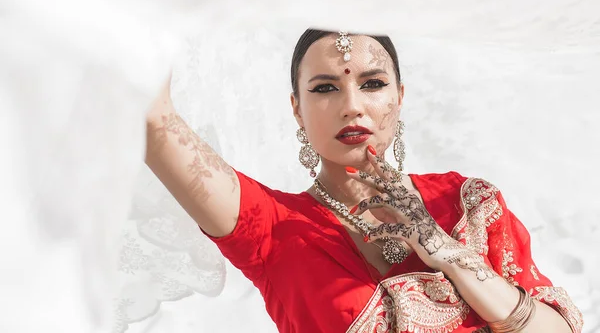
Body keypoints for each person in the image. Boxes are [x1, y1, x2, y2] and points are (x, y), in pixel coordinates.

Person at [144, 29, 583, 333]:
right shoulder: (273, 229)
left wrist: (444, 250)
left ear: (399, 96)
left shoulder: (468, 202)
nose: (352, 106)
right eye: (325, 88)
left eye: (372, 83)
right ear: (296, 108)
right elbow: (152, 117)